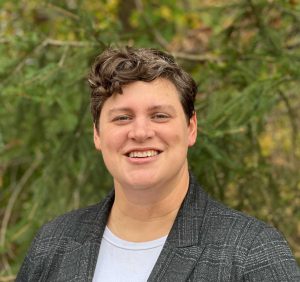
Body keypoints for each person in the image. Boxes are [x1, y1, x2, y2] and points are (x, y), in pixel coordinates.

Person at [17, 47, 299, 282]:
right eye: (122, 118)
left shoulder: (251, 253)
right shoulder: (53, 244)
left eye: (160, 116)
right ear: (97, 134)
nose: (140, 133)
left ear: (191, 128)